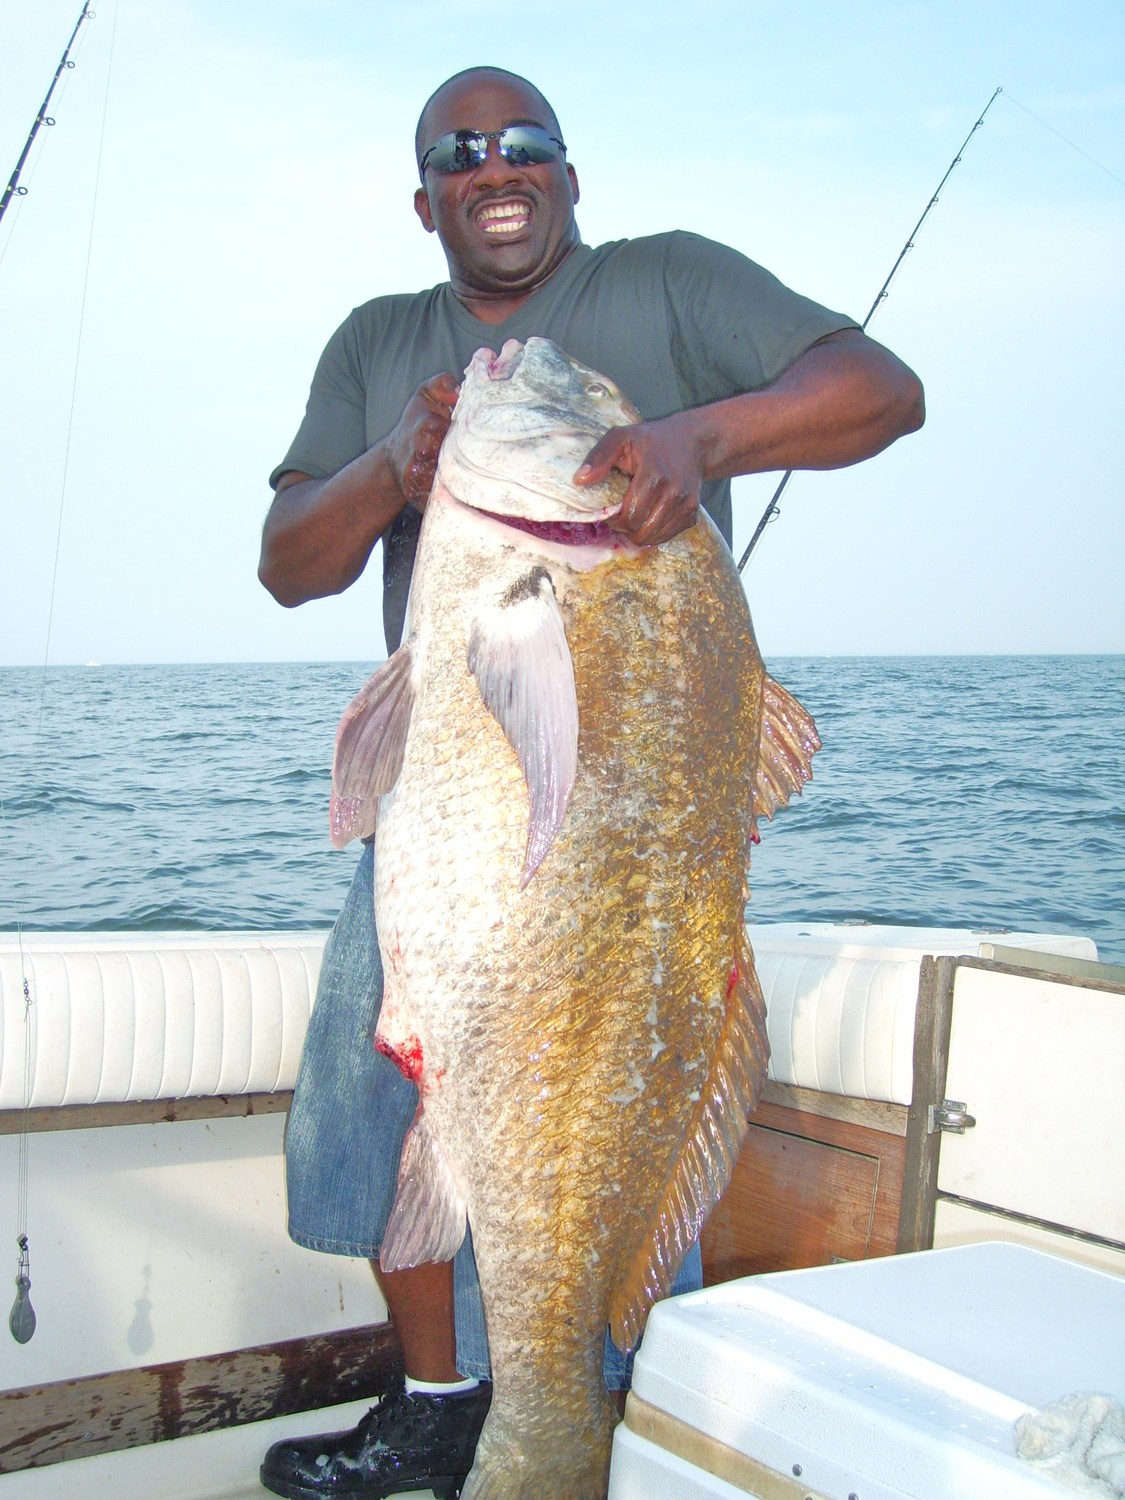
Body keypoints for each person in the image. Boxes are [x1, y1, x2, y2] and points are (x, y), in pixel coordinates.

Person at [257, 65, 924, 1500]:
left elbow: (881, 393)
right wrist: (392, 465)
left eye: (525, 147)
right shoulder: (378, 342)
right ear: (426, 194)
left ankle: (578, 1414)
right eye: (461, 153)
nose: (496, 168)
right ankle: (441, 1406)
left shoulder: (672, 284)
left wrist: (701, 436)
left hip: (637, 859)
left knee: (617, 1097)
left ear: (569, 175)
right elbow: (288, 564)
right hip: (447, 822)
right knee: (381, 1130)